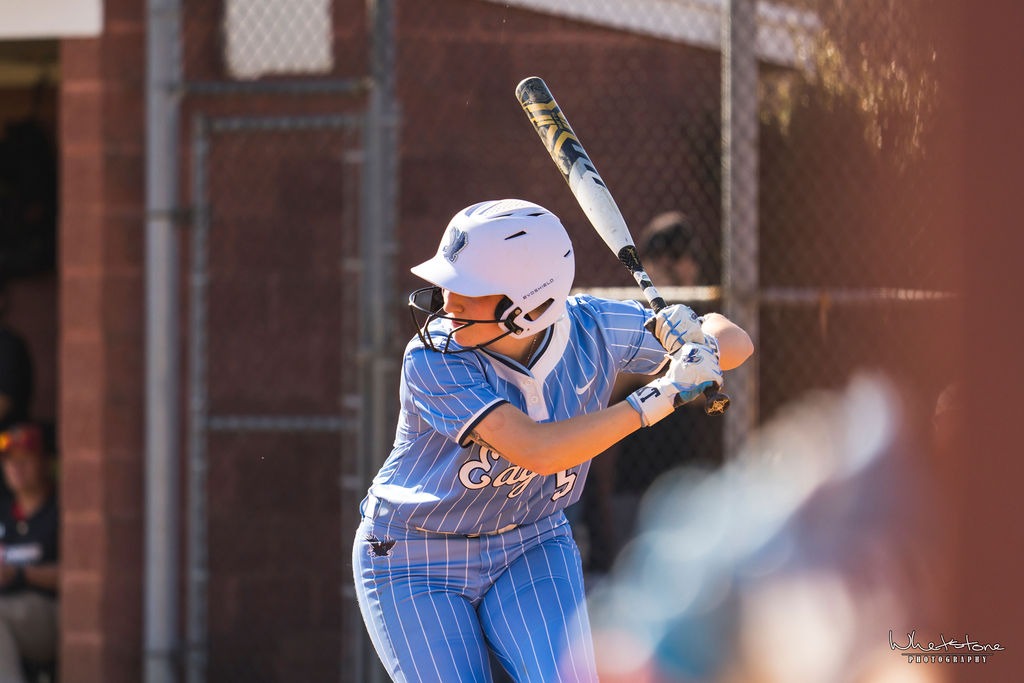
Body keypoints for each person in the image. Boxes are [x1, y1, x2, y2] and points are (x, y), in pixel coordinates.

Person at [351, 199, 753, 682]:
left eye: (468, 289)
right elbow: (537, 450)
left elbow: (737, 342)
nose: (447, 301)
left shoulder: (592, 328)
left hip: (530, 538)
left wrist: (696, 336)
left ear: (529, 304)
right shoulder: (433, 357)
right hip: (415, 553)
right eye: (447, 284)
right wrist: (662, 393)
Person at [0, 423, 58, 682]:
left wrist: (19, 574)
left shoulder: (62, 511)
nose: (16, 468)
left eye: (25, 460)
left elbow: (76, 576)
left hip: (51, 613)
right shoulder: (4, 513)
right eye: (10, 461)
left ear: (45, 462)